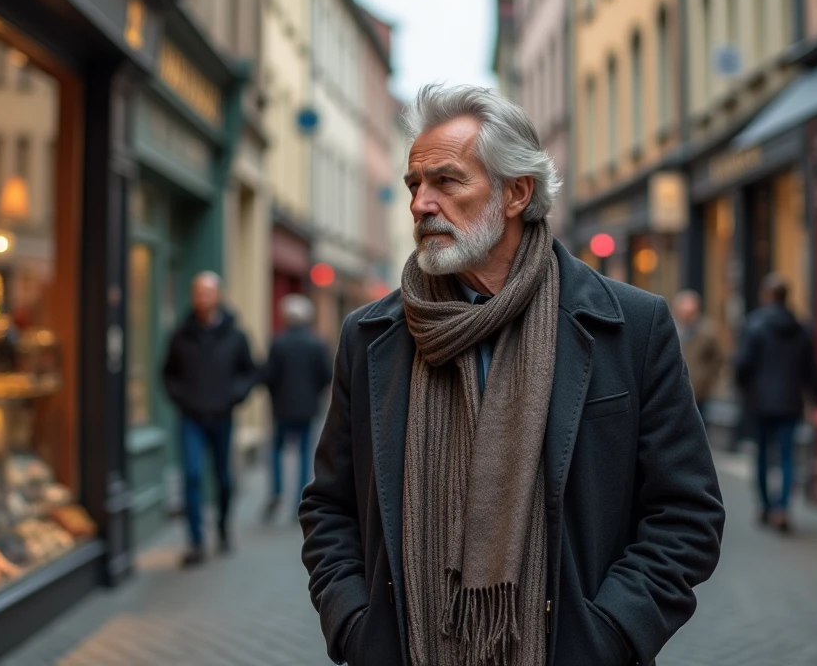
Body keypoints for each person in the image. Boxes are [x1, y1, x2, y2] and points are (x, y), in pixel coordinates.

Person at [300, 85, 724, 666]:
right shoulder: (371, 337)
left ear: (516, 193)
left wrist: (608, 635)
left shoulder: (629, 327)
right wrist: (355, 625)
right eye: (414, 185)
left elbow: (687, 513)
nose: (421, 204)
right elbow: (329, 507)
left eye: (446, 182)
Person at [162, 271, 258, 566]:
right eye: (198, 292)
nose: (202, 298)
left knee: (223, 478)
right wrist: (181, 398)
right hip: (190, 417)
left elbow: (250, 371)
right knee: (191, 476)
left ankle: (223, 528)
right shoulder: (181, 334)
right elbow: (167, 374)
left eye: (207, 292)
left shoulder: (236, 335)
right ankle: (196, 542)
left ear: (218, 296)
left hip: (221, 416)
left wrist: (233, 396)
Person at [735, 273, 817, 534]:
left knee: (762, 455)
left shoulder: (753, 325)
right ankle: (782, 509)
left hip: (760, 402)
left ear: (766, 296)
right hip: (790, 402)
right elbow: (811, 370)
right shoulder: (801, 328)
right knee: (787, 456)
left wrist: (744, 390)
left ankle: (766, 505)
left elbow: (742, 365)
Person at [262, 293, 333, 523]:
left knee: (276, 450)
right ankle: (300, 498)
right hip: (307, 408)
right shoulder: (317, 344)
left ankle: (277, 491)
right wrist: (314, 394)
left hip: (282, 407)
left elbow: (269, 376)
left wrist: (276, 396)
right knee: (304, 452)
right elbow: (327, 375)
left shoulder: (278, 343)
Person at [671, 289, 725, 411]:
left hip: (699, 393)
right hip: (676, 392)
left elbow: (718, 360)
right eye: (683, 313)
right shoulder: (671, 331)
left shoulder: (708, 332)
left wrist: (707, 381)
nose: (686, 317)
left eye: (690, 313)